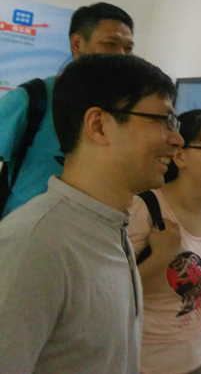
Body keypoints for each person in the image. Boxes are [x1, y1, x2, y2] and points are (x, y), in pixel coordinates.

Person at [0, 54, 183, 373]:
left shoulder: (110, 225)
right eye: (163, 120)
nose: (177, 139)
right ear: (98, 126)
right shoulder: (35, 244)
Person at [127, 109, 201, 374]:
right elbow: (112, 290)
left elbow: (198, 285)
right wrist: (159, 257)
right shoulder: (144, 209)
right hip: (142, 364)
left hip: (195, 361)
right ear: (179, 155)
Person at [0, 2, 135, 217]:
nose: (121, 56)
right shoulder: (30, 100)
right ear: (77, 43)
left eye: (128, 48)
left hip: (89, 233)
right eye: (110, 44)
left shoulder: (126, 111)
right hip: (23, 232)